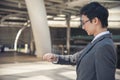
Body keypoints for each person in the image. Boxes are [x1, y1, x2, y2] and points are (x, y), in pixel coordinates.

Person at [43, 2, 117, 80]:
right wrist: (55, 58)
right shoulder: (97, 42)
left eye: (84, 22)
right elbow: (76, 58)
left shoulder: (104, 46)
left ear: (95, 21)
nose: (83, 27)